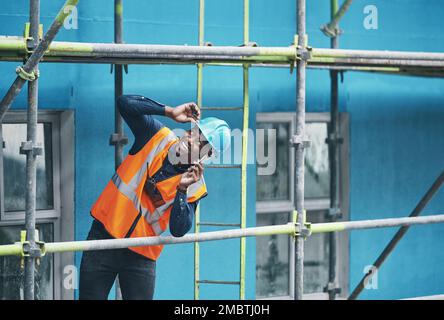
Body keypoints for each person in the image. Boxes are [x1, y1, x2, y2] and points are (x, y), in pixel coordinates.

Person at [79, 94, 230, 300]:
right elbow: (125, 103)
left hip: (142, 254)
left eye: (202, 144)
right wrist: (169, 111)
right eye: (196, 133)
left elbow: (178, 230)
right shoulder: (157, 136)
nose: (193, 141)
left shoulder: (195, 185)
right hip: (104, 235)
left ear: (207, 156)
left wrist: (182, 191)